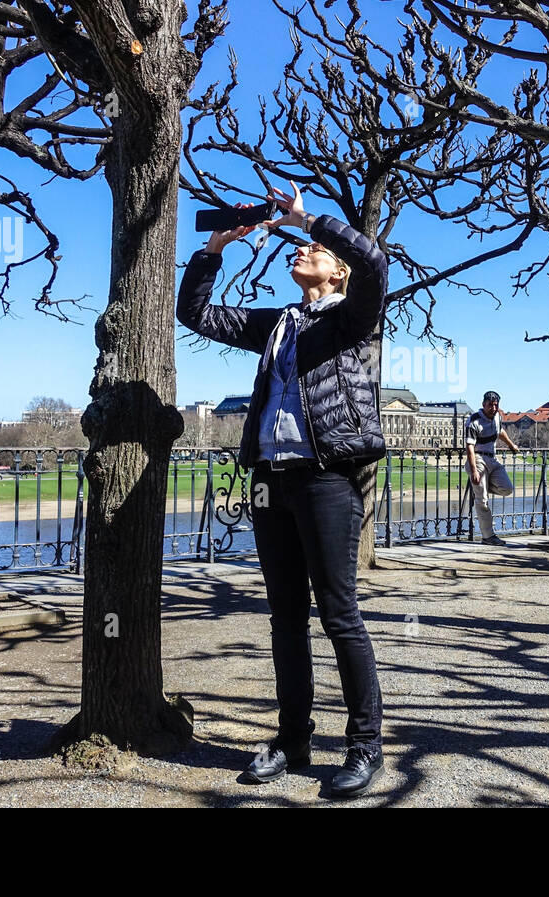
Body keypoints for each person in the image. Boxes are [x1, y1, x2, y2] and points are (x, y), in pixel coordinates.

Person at [176, 185, 386, 799]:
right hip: (270, 479)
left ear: (336, 270)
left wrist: (308, 217)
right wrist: (213, 251)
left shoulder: (354, 317)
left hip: (327, 478)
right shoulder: (278, 324)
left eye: (314, 249)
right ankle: (294, 740)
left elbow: (374, 261)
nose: (301, 251)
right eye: (302, 245)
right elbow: (197, 315)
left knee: (339, 616)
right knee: (286, 619)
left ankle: (364, 747)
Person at [465, 390, 520, 547]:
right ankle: (488, 536)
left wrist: (511, 445)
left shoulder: (497, 417)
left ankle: (482, 487)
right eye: (490, 405)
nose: (494, 408)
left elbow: (500, 431)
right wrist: (474, 470)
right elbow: (469, 447)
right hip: (477, 458)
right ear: (483, 404)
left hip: (492, 459)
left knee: (507, 488)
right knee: (482, 500)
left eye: (496, 405)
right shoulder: (474, 421)